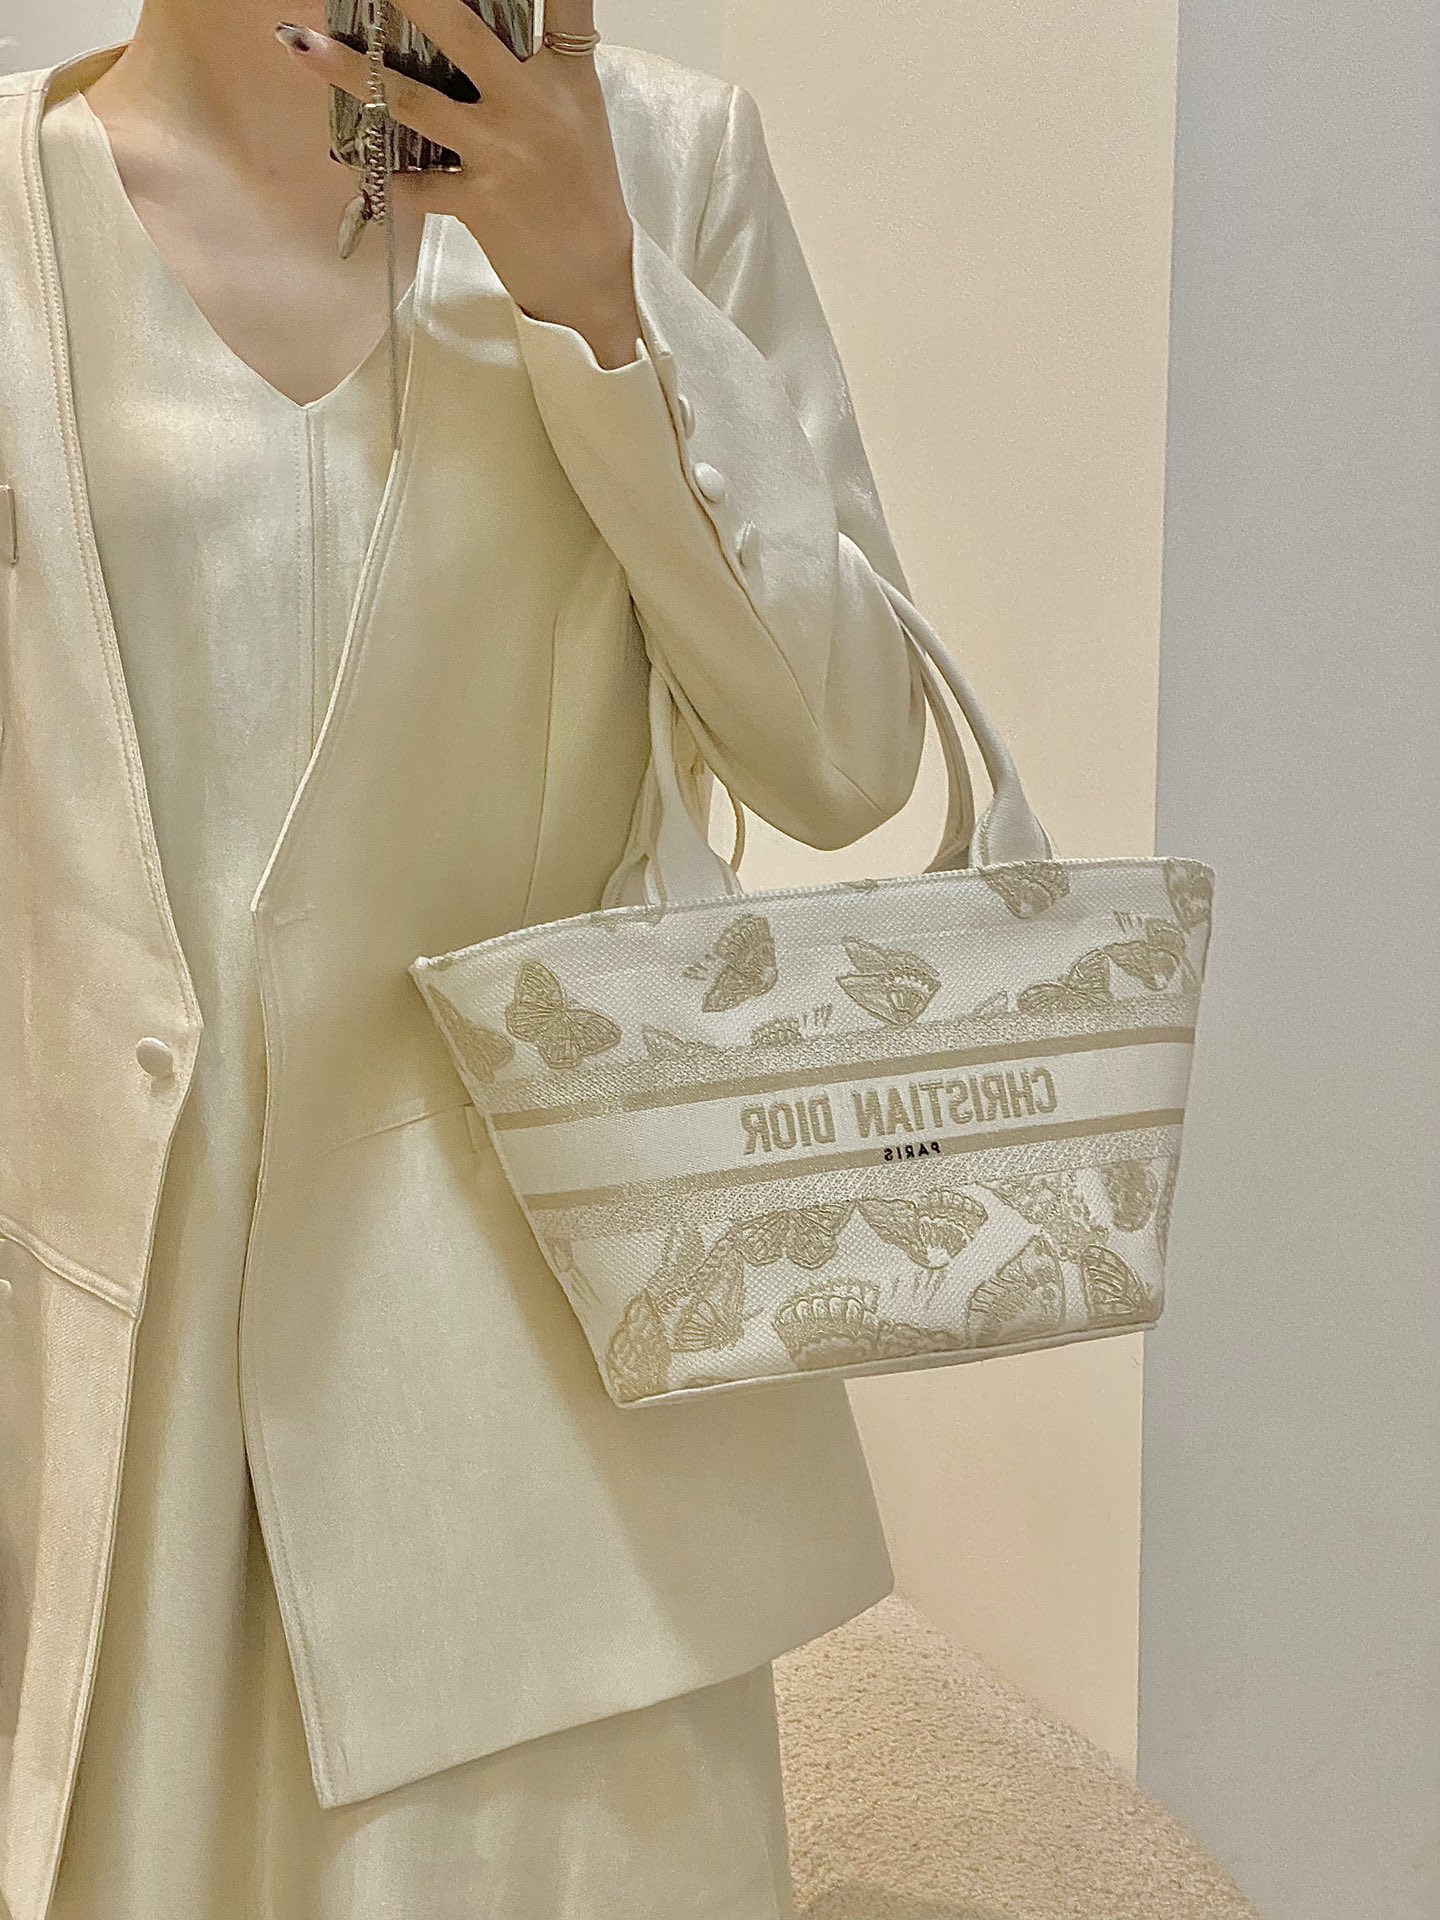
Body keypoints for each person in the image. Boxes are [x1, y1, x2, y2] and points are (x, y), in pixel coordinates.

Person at [0, 3, 928, 1916]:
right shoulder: (22, 210)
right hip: (100, 1353)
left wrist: (602, 296)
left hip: (526, 1388)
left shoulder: (659, 165)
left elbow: (843, 758)